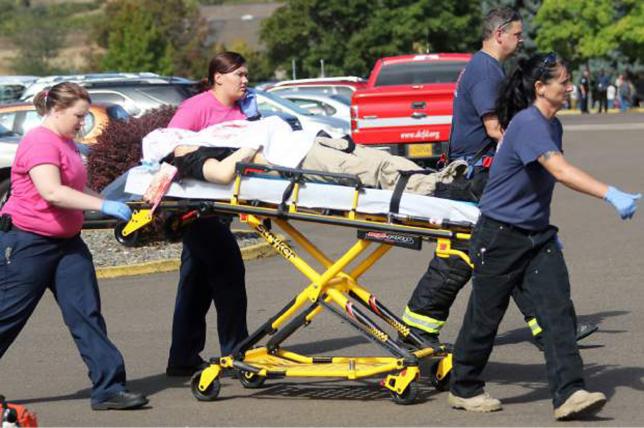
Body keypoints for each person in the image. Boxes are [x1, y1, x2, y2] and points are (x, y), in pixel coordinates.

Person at [447, 52, 640, 420]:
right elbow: (561, 171)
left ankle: (570, 392)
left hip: (536, 235)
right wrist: (609, 192)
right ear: (540, 87)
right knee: (485, 317)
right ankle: (464, 387)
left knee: (557, 312)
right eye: (563, 82)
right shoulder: (529, 123)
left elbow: (540, 183)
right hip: (499, 235)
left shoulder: (552, 125)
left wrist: (540, 225)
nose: (570, 88)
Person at [399, 7, 597, 351]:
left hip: (477, 177)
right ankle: (417, 327)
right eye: (517, 35)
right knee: (471, 256)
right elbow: (495, 129)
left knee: (502, 252)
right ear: (499, 33)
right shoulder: (486, 72)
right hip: (475, 181)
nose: (521, 41)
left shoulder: (486, 68)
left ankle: (550, 328)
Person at [0, 82, 148, 410]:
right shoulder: (39, 142)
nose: (83, 123)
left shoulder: (65, 143)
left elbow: (80, 189)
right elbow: (53, 192)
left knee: (86, 314)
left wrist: (117, 200)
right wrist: (104, 207)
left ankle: (109, 388)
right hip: (28, 244)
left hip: (67, 244)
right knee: (7, 316)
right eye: (78, 116)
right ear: (56, 110)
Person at [164, 51, 255, 377]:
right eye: (239, 75)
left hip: (220, 206)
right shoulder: (197, 107)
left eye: (246, 75)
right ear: (218, 76)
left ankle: (183, 357)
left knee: (196, 282)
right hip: (196, 209)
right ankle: (237, 353)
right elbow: (172, 147)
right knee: (229, 274)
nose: (245, 81)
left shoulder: (241, 110)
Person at [142, 115, 467, 195]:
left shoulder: (201, 140)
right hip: (295, 160)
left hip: (307, 144)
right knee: (376, 171)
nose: (178, 135)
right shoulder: (190, 158)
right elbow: (224, 174)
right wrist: (254, 143)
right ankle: (447, 190)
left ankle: (448, 178)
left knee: (381, 161)